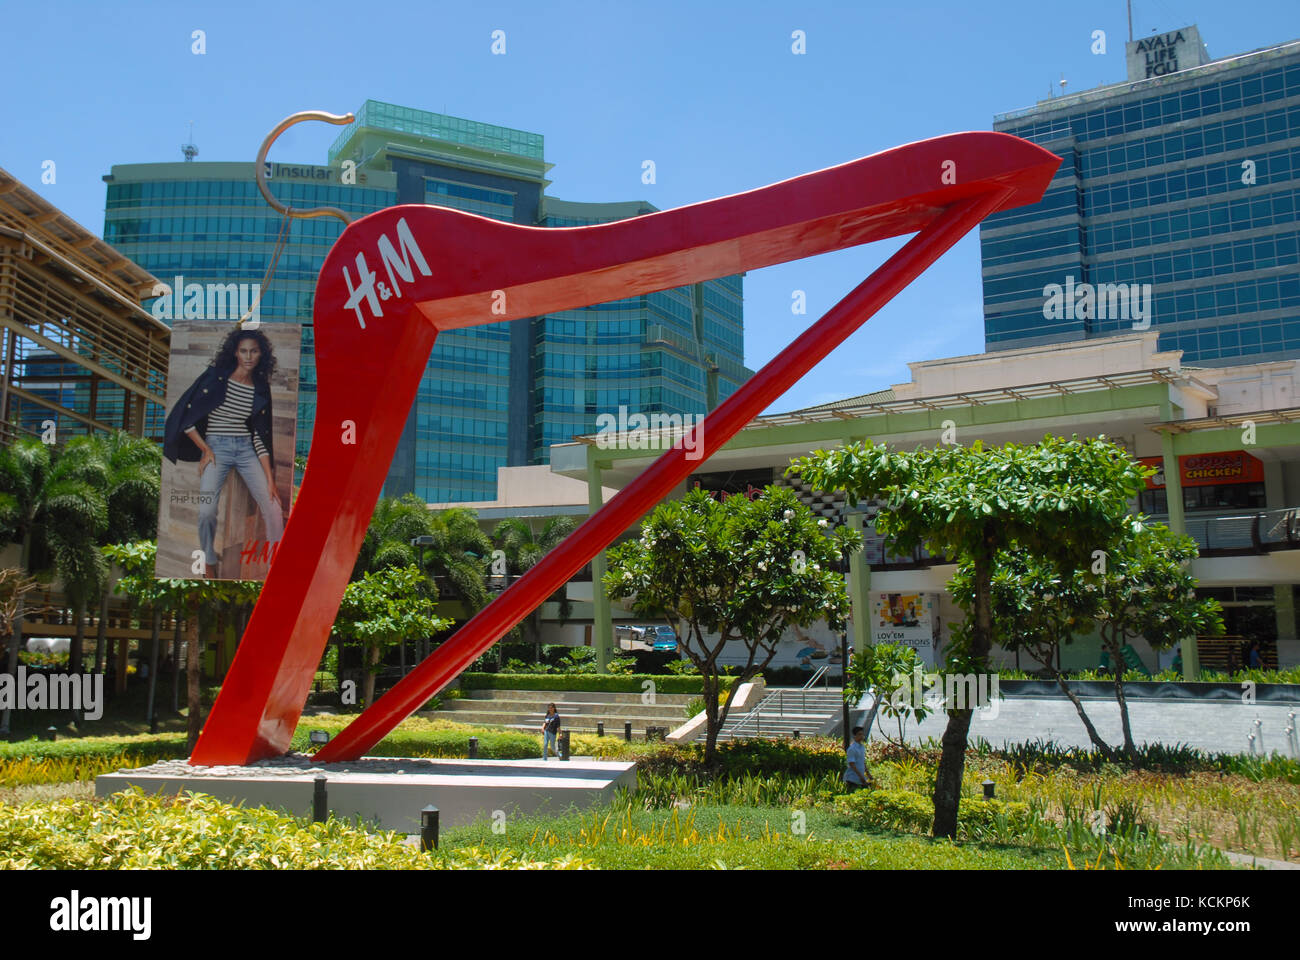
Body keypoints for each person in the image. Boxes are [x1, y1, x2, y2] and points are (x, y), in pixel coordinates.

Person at [163, 327, 285, 578]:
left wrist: (270, 479)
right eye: (244, 351)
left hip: (246, 449)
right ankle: (208, 558)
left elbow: (260, 437)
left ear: (261, 354)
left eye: (254, 351)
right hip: (216, 447)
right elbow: (186, 418)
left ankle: (276, 566)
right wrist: (205, 448)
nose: (249, 356)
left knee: (273, 507)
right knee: (206, 510)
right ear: (236, 353)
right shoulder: (215, 377)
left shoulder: (260, 389)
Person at [844, 725, 871, 792]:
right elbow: (852, 764)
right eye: (859, 734)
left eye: (862, 734)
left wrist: (868, 774)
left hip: (860, 778)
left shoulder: (862, 747)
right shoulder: (852, 749)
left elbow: (862, 762)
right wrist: (861, 776)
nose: (861, 736)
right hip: (852, 779)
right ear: (854, 736)